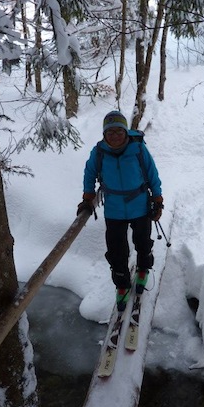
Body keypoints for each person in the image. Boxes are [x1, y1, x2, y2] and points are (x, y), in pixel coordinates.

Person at [77, 110, 163, 311]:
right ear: (104, 134)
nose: (115, 136)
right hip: (114, 209)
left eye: (119, 131)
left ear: (125, 132)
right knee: (117, 250)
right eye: (110, 132)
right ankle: (122, 284)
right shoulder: (98, 152)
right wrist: (88, 198)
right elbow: (89, 173)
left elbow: (152, 174)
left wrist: (157, 199)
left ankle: (143, 269)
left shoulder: (139, 149)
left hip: (140, 205)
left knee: (142, 242)